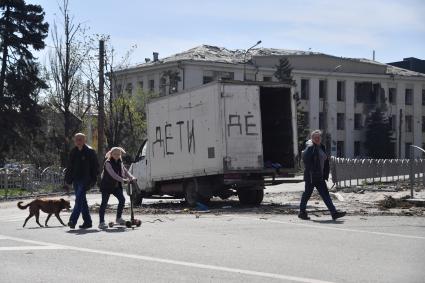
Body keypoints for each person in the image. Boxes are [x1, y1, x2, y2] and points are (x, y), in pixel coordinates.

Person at [299, 130, 346, 221]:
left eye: (319, 137)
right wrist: (312, 170)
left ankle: (334, 213)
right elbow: (305, 160)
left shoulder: (321, 147)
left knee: (325, 194)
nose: (317, 139)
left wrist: (325, 174)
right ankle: (302, 212)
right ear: (312, 138)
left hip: (319, 176)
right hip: (311, 176)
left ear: (321, 138)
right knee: (307, 194)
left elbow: (324, 161)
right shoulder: (310, 147)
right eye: (315, 137)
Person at [65, 133, 99, 229]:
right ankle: (87, 222)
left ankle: (72, 220)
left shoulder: (90, 151)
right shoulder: (73, 152)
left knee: (79, 200)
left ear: (84, 141)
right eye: (77, 140)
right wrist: (67, 180)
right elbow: (70, 167)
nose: (78, 141)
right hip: (76, 179)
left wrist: (93, 180)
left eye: (80, 139)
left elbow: (96, 167)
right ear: (74, 141)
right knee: (82, 201)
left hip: (86, 179)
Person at [98, 147, 136, 229]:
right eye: (115, 154)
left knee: (122, 200)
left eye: (118, 154)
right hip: (106, 186)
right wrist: (123, 180)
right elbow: (113, 174)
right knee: (104, 203)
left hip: (116, 186)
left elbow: (125, 171)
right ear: (111, 154)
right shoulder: (107, 163)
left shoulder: (120, 162)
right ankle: (101, 222)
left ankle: (118, 218)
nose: (117, 155)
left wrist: (131, 177)